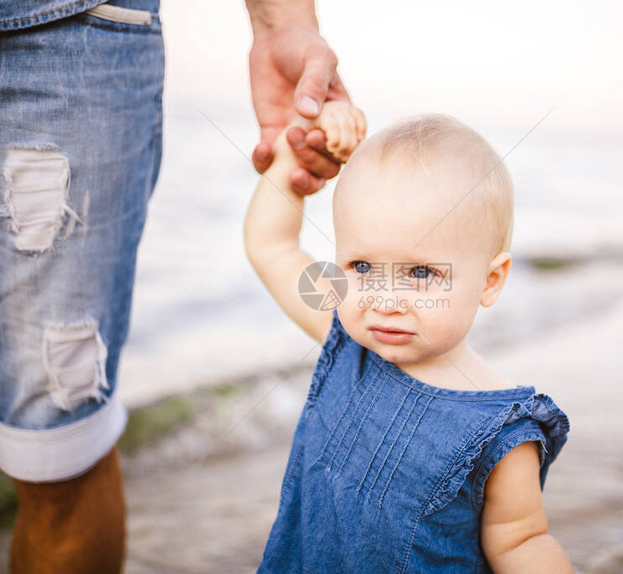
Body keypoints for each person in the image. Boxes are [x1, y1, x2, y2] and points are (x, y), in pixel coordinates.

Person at [0, 0, 349, 571]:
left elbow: (275, 247)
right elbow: (276, 248)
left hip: (68, 32)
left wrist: (282, 22)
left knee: (60, 447)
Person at [244, 102, 574, 572]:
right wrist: (293, 153)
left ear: (491, 280)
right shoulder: (345, 341)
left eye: (421, 272)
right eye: (362, 267)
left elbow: (523, 542)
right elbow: (272, 247)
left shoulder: (501, 429)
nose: (384, 298)